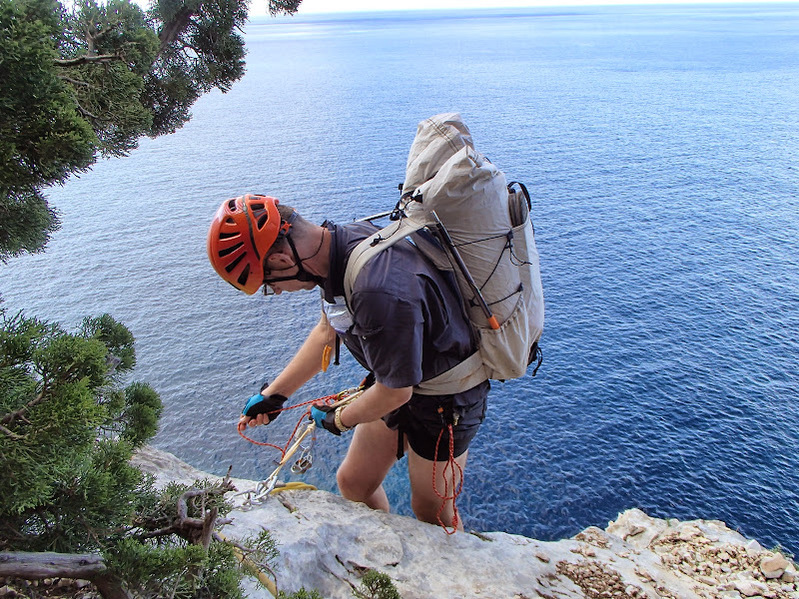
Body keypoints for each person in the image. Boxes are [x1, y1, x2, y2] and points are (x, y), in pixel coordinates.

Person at [207, 193, 489, 530]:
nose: (277, 292)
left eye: (269, 285)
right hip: (397, 378)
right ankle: (387, 551)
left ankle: (453, 573)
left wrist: (338, 419)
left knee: (431, 512)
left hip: (446, 400)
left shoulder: (376, 289)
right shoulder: (338, 250)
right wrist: (276, 395)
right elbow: (328, 331)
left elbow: (395, 393)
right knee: (354, 483)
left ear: (282, 260)